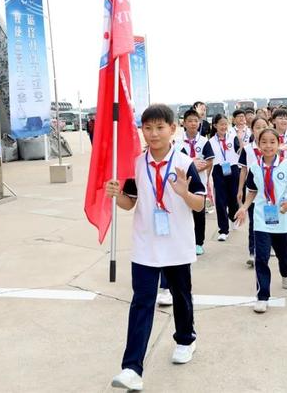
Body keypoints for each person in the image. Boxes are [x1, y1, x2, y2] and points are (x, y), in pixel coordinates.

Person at [106, 104, 206, 391]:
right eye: (147, 128)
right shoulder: (136, 164)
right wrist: (115, 195)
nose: (153, 133)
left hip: (176, 243)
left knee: (180, 295)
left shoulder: (184, 163)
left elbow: (200, 204)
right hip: (146, 244)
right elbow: (129, 203)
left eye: (160, 127)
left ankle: (186, 339)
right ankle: (131, 368)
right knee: (141, 302)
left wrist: (184, 192)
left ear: (172, 129)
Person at [235, 128, 287, 313]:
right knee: (261, 258)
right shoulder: (255, 167)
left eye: (272, 142)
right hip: (261, 217)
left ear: (278, 143)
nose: (268, 146)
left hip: (281, 216)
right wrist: (244, 207)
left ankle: (286, 273)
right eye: (264, 142)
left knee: (284, 256)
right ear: (258, 145)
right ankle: (262, 296)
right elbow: (253, 190)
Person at [176, 109, 214, 256]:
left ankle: (199, 243)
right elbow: (176, 162)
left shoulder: (204, 141)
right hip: (182, 183)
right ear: (184, 123)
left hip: (199, 183)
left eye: (195, 121)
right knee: (183, 213)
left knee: (199, 214)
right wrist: (191, 165)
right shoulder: (177, 143)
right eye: (190, 121)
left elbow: (210, 161)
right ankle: (184, 241)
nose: (193, 124)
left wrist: (198, 169)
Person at [237, 116, 269, 267]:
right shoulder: (248, 149)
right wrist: (240, 189)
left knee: (270, 222)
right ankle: (253, 252)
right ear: (252, 130)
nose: (261, 130)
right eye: (258, 127)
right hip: (253, 192)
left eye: (264, 126)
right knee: (253, 223)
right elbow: (243, 170)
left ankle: (268, 248)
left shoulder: (272, 147)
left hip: (270, 194)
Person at [208, 114, 242, 241]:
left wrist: (241, 141)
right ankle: (223, 230)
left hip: (233, 169)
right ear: (215, 125)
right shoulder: (210, 141)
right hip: (218, 170)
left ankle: (233, 218)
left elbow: (240, 151)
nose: (223, 126)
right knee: (220, 201)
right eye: (220, 124)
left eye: (225, 124)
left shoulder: (233, 137)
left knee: (233, 198)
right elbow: (209, 160)